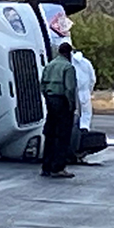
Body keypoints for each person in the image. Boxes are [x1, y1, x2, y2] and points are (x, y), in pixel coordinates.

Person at [40, 42, 78, 179]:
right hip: (62, 101)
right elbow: (70, 88)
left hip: (50, 100)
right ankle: (58, 167)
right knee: (62, 136)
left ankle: (46, 166)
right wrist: (71, 105)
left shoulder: (49, 65)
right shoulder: (68, 67)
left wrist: (48, 99)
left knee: (50, 134)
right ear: (68, 53)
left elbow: (42, 84)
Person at [68, 45, 97, 164]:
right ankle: (84, 132)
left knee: (74, 115)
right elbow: (92, 78)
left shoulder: (70, 62)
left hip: (74, 91)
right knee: (86, 114)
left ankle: (74, 137)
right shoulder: (86, 62)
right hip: (84, 91)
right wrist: (89, 90)